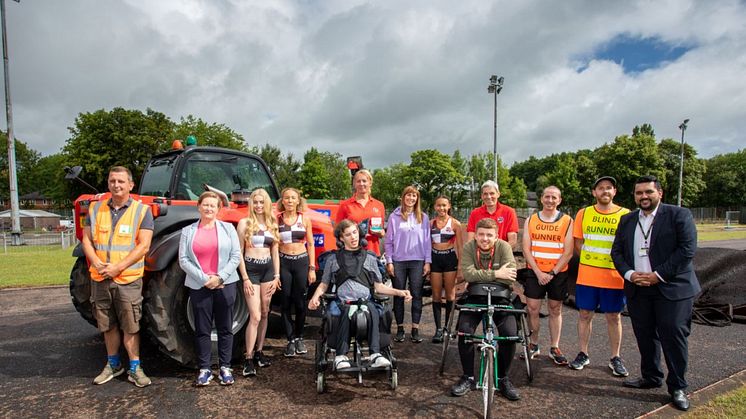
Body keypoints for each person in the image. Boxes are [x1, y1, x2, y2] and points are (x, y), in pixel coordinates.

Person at [611, 175, 700, 411]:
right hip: (638, 289)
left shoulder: (679, 215)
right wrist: (630, 274)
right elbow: (617, 252)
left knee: (673, 335)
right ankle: (650, 377)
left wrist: (658, 275)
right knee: (645, 334)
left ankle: (678, 386)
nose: (644, 197)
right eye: (639, 193)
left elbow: (687, 250)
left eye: (648, 192)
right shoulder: (628, 220)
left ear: (659, 193)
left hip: (671, 288)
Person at [82, 166, 154, 387]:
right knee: (107, 324)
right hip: (101, 278)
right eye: (113, 181)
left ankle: (134, 367)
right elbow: (86, 240)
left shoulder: (142, 211)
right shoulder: (95, 209)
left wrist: (117, 267)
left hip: (127, 279)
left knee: (131, 325)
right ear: (108, 183)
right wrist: (96, 263)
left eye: (121, 181)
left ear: (131, 185)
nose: (116, 185)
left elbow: (144, 246)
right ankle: (113, 364)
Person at [309, 219, 412, 369]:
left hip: (365, 302)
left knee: (375, 311)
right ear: (341, 238)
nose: (353, 237)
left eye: (355, 232)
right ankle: (341, 356)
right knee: (341, 312)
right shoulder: (333, 259)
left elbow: (379, 287)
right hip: (343, 303)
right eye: (348, 234)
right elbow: (324, 284)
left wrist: (399, 292)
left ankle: (375, 354)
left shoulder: (370, 258)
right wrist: (314, 297)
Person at [450, 218, 520, 401]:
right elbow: (467, 274)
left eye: (489, 235)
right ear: (476, 235)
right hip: (474, 295)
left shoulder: (504, 247)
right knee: (464, 332)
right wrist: (496, 274)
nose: (485, 238)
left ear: (496, 236)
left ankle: (503, 378)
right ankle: (468, 377)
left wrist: (482, 276)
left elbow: (510, 277)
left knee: (510, 334)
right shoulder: (469, 248)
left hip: (502, 296)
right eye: (481, 234)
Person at [178, 191, 241, 386]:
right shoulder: (188, 231)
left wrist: (220, 277)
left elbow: (236, 256)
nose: (208, 208)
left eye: (212, 205)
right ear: (199, 206)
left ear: (218, 209)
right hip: (200, 285)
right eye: (205, 205)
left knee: (225, 328)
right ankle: (205, 369)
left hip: (225, 284)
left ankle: (225, 368)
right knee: (202, 329)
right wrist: (205, 278)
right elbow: (183, 259)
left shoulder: (228, 228)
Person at [570, 176, 630, 376]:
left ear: (614, 192)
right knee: (585, 314)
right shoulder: (584, 213)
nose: (605, 191)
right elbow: (578, 243)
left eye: (609, 188)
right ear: (594, 192)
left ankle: (615, 357)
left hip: (614, 277)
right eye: (600, 188)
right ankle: (583, 353)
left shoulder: (625, 214)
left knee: (614, 316)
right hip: (587, 276)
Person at [521, 186, 574, 365]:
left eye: (554, 197)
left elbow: (568, 252)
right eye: (547, 197)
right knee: (532, 308)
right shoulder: (531, 220)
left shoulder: (567, 220)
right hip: (534, 271)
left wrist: (551, 273)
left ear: (559, 200)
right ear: (541, 199)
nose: (550, 200)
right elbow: (526, 249)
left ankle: (554, 347)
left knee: (555, 309)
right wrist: (538, 272)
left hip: (557, 273)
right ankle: (533, 344)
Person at [236, 188, 281, 377]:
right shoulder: (244, 223)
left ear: (267, 203)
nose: (259, 205)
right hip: (251, 271)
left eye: (262, 202)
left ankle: (259, 352)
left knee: (264, 312)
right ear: (251, 203)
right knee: (254, 316)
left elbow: (275, 252)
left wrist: (277, 275)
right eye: (256, 202)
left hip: (268, 271)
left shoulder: (272, 223)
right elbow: (238, 252)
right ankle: (248, 358)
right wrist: (245, 277)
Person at [384, 186, 431, 343]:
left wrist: (427, 261)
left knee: (417, 295)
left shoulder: (423, 217)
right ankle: (400, 328)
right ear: (403, 197)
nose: (411, 198)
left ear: (417, 199)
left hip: (418, 261)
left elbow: (427, 242)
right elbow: (388, 242)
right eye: (408, 195)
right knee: (399, 295)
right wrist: (389, 261)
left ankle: (415, 329)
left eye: (414, 196)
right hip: (398, 261)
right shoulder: (394, 217)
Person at [277, 187, 316, 357]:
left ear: (298, 200)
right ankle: (290, 340)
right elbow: (274, 245)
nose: (290, 201)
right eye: (287, 198)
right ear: (282, 201)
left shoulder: (305, 219)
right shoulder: (276, 219)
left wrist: (312, 268)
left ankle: (299, 337)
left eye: (293, 198)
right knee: (285, 302)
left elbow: (311, 244)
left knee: (300, 303)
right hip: (284, 262)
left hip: (301, 261)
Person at [429, 195, 463, 343]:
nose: (441, 208)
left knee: (450, 295)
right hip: (435, 258)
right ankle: (438, 329)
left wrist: (461, 266)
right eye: (438, 205)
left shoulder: (455, 224)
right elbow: (426, 244)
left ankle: (447, 328)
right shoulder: (430, 223)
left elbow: (461, 247)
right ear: (435, 207)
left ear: (449, 206)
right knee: (436, 295)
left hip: (449, 259)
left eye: (444, 205)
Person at [336, 169, 386, 255]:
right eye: (358, 181)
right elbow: (338, 230)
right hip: (351, 253)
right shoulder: (345, 205)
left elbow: (381, 231)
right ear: (354, 184)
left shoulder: (379, 205)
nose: (361, 184)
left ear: (370, 183)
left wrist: (381, 233)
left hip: (373, 252)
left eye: (364, 181)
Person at [466, 180, 519, 248]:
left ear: (498, 194)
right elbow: (470, 240)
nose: (488, 197)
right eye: (485, 194)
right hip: (480, 255)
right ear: (482, 196)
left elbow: (512, 241)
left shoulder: (509, 212)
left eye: (492, 193)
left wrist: (499, 253)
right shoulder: (475, 213)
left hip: (502, 254)